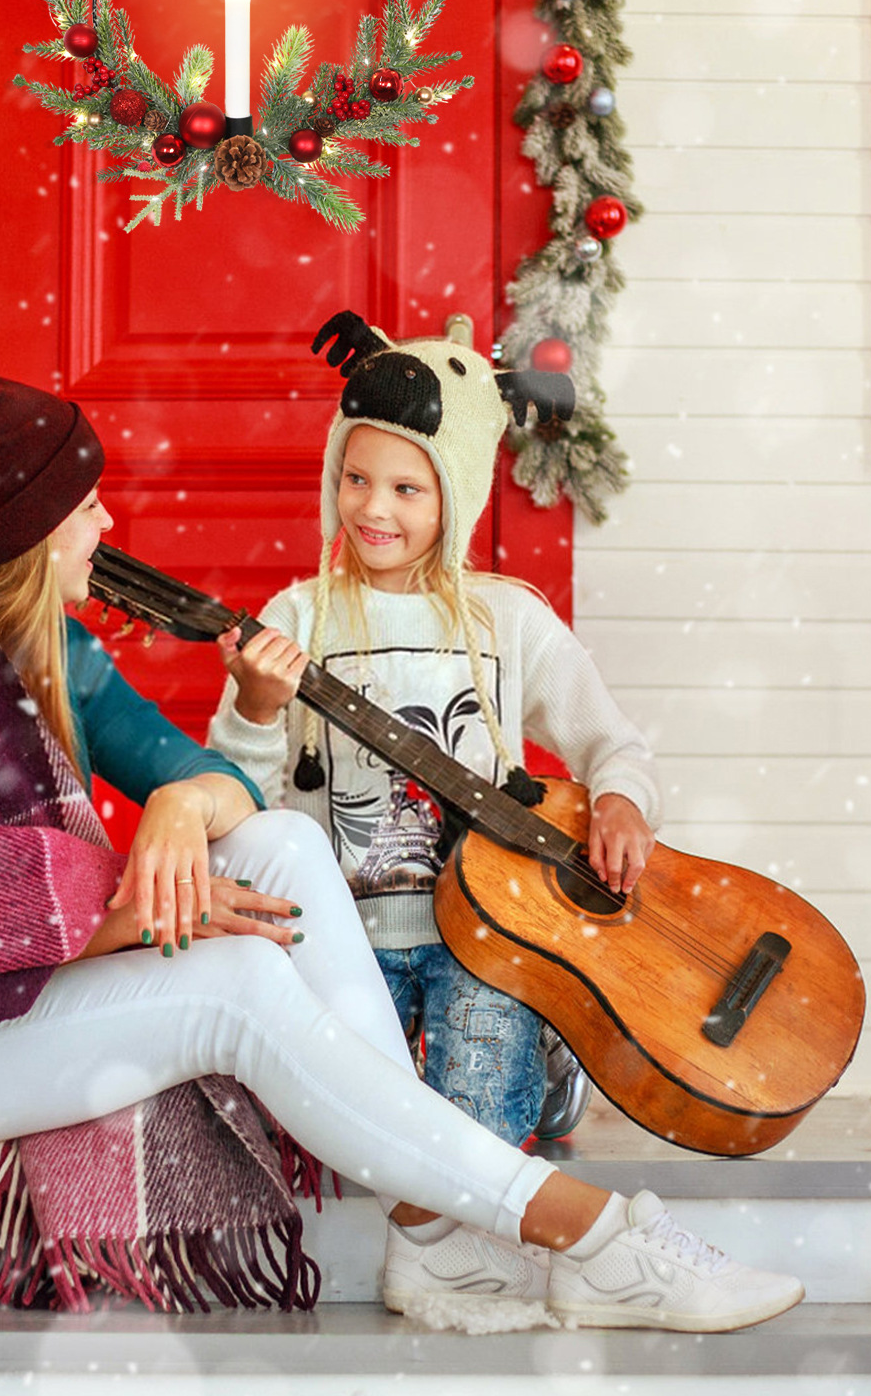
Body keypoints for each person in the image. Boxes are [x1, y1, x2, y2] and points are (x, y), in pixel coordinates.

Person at [0, 372, 802, 1335]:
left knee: (272, 839)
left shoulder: (41, 647)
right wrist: (136, 899)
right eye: (82, 505)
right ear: (23, 528)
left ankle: (426, 1229)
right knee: (234, 982)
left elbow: (225, 785)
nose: (106, 525)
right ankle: (599, 1237)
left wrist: (177, 806)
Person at [207, 313, 662, 1315]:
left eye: (408, 488)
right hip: (337, 940)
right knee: (353, 1109)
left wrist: (622, 797)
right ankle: (434, 1258)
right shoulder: (295, 618)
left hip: (480, 934)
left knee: (477, 1121)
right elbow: (231, 791)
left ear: (453, 496)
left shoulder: (507, 619)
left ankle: (484, 1210)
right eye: (355, 478)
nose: (374, 507)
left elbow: (610, 739)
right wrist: (252, 709)